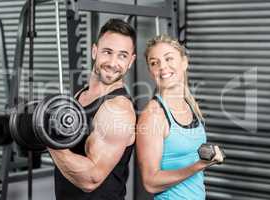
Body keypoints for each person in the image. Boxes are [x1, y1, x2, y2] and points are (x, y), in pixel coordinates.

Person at [48, 18, 136, 200]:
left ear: (131, 61)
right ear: (94, 51)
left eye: (122, 55)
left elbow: (91, 179)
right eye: (107, 52)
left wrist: (48, 138)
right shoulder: (80, 95)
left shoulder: (117, 109)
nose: (113, 62)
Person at [136, 34, 224, 199]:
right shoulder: (154, 115)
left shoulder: (190, 105)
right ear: (150, 71)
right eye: (154, 63)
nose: (162, 67)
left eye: (169, 59)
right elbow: (150, 182)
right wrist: (199, 165)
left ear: (184, 62)